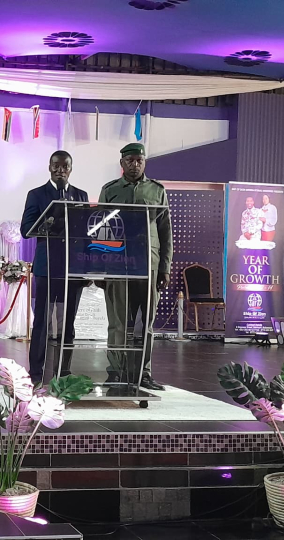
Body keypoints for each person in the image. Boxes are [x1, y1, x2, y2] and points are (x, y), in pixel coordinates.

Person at [98, 142, 172, 390]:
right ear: (122, 163)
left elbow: (165, 232)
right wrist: (99, 267)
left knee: (146, 324)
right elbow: (100, 229)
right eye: (130, 160)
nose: (135, 164)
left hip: (148, 264)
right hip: (117, 264)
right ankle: (116, 372)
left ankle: (143, 373)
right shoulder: (110, 190)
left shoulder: (157, 191)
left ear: (144, 162)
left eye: (139, 160)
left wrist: (165, 268)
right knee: (117, 322)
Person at [20, 150, 88, 383]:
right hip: (46, 265)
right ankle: (36, 374)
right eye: (56, 166)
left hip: (73, 267)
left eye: (65, 166)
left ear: (71, 169)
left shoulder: (80, 195)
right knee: (41, 322)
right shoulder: (36, 194)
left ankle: (64, 373)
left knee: (68, 324)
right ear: (49, 167)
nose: (60, 170)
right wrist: (46, 224)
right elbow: (26, 229)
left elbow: (86, 233)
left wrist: (87, 267)